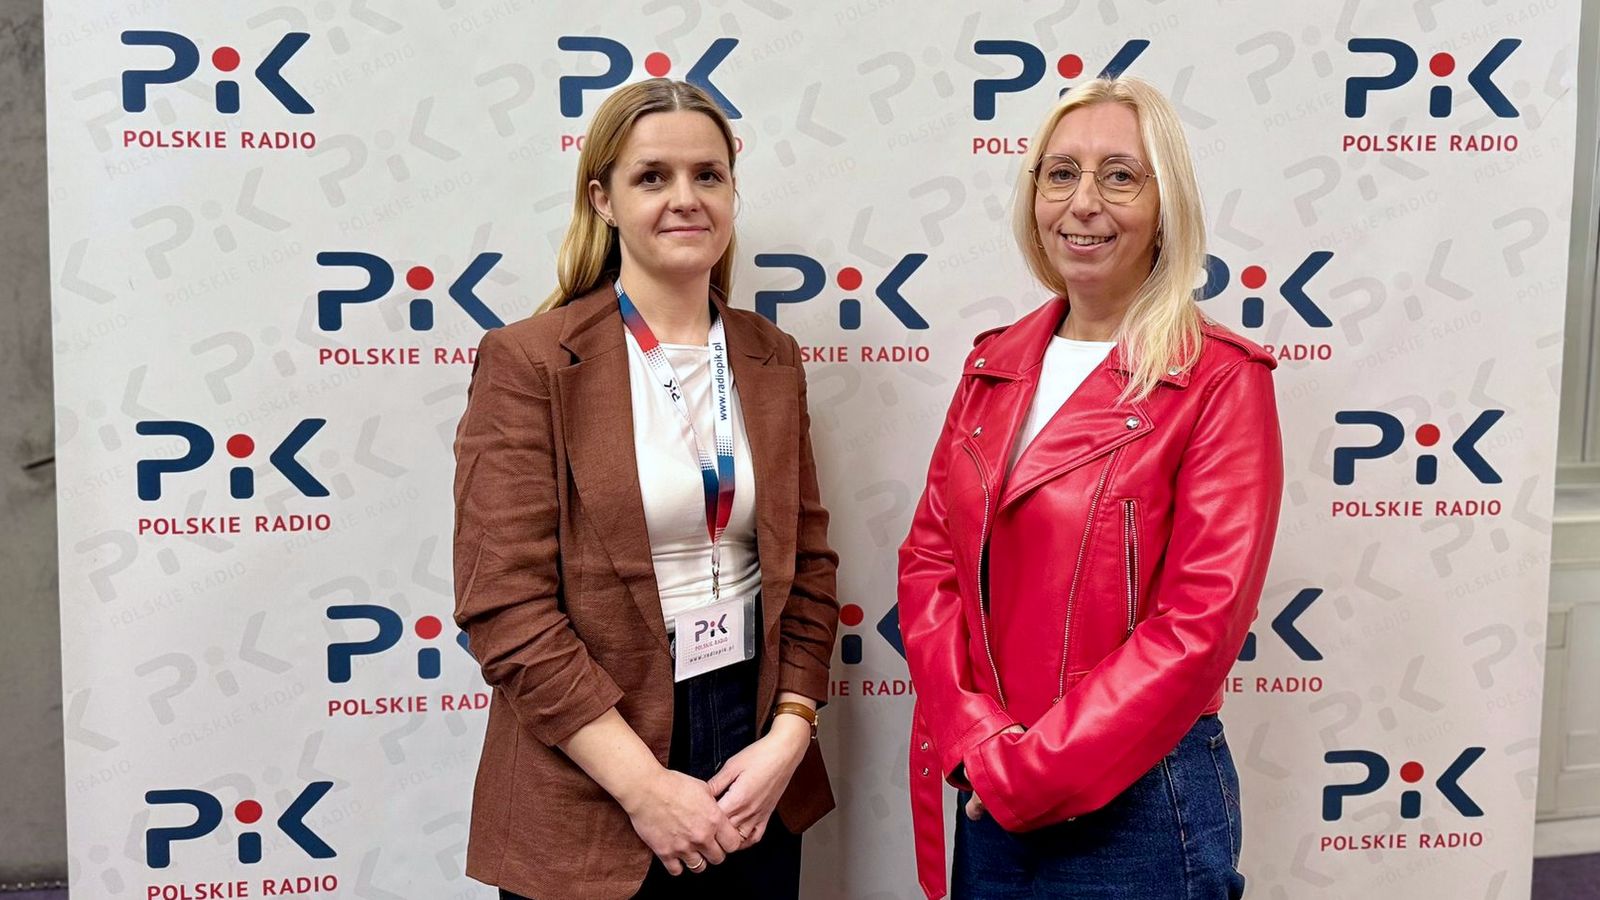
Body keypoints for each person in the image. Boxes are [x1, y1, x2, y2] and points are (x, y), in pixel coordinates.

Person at [452, 78, 839, 900]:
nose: (685, 198)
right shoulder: (531, 361)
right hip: (593, 755)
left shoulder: (771, 356)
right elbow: (504, 605)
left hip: (754, 751)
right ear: (603, 199)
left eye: (709, 175)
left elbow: (808, 568)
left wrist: (791, 732)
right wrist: (643, 786)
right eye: (653, 176)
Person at [898, 76, 1283, 899]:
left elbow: (1200, 623)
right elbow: (931, 565)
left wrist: (1032, 773)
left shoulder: (1220, 379)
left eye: (1119, 176)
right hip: (991, 784)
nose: (1083, 203)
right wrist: (975, 737)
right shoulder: (993, 363)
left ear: (1165, 204)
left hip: (1139, 804)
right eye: (1061, 173)